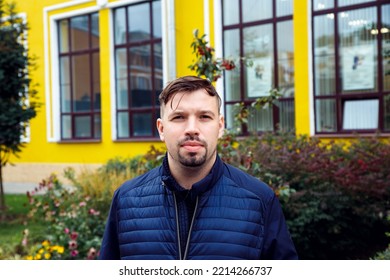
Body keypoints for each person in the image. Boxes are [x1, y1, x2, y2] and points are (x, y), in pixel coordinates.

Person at [99, 75, 298, 260]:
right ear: (161, 129)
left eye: (204, 117)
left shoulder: (260, 200)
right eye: (179, 117)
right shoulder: (126, 200)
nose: (192, 128)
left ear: (220, 127)